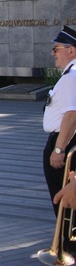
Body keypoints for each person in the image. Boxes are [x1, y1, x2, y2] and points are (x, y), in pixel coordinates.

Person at [43, 26, 76, 240]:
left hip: (63, 142)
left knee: (63, 197)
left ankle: (67, 245)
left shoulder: (72, 76)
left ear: (71, 51)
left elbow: (72, 114)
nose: (53, 53)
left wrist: (58, 148)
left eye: (57, 48)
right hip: (65, 141)